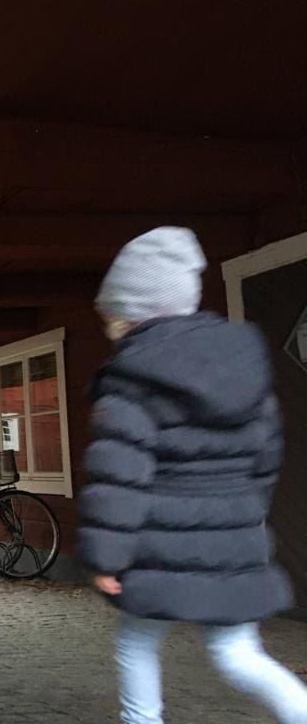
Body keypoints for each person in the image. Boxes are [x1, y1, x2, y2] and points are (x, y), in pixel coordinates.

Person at [77, 227, 307, 724]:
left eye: (110, 314)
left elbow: (120, 481)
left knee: (137, 643)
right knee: (239, 656)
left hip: (158, 545)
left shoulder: (130, 383)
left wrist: (105, 559)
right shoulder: (247, 373)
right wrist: (247, 520)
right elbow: (265, 461)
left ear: (129, 314)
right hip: (234, 539)